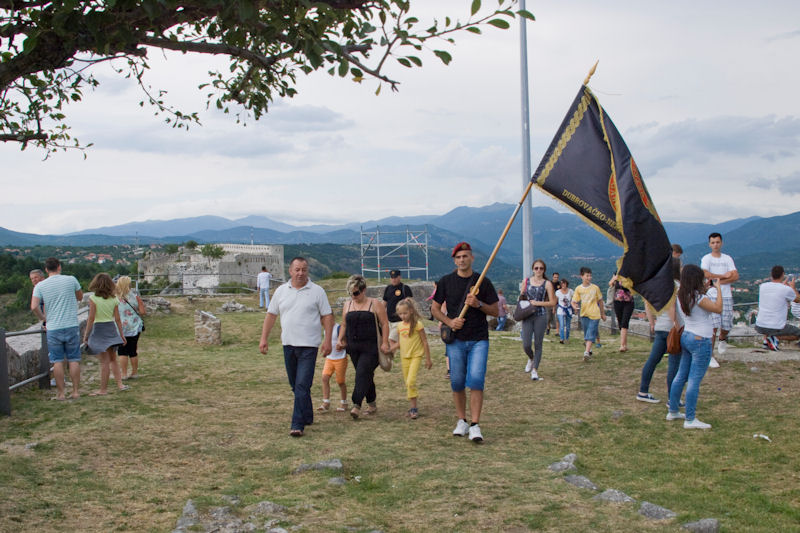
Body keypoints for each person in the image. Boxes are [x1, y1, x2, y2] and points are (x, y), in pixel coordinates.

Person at [431, 242, 499, 443]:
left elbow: (496, 311)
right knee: (457, 381)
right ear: (454, 260)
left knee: (476, 379)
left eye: (465, 256)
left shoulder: (482, 281)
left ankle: (475, 425)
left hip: (478, 339)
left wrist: (478, 304)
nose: (462, 260)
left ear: (472, 258)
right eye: (458, 257)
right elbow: (434, 309)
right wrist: (449, 322)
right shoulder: (446, 281)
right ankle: (462, 420)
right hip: (456, 340)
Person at [259, 257, 334, 438]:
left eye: (304, 270)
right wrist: (264, 338)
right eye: (297, 269)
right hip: (288, 345)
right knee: (295, 385)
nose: (300, 273)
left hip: (309, 346)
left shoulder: (317, 291)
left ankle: (297, 424)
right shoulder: (281, 291)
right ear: (290, 271)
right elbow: (271, 315)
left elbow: (327, 316)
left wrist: (328, 340)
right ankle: (307, 415)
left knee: (302, 384)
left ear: (308, 271)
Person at [668, 265, 722, 429]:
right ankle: (690, 419)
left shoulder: (681, 295)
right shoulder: (698, 297)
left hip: (687, 335)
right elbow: (718, 308)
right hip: (701, 339)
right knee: (694, 380)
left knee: (681, 375)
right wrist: (718, 289)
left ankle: (673, 410)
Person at [337, 274, 390, 420]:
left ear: (364, 290)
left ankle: (356, 404)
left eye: (356, 293)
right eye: (350, 293)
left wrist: (385, 342)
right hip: (353, 347)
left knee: (362, 372)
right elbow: (344, 324)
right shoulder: (347, 305)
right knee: (366, 374)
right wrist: (340, 339)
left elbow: (385, 323)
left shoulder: (375, 304)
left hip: (371, 347)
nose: (353, 296)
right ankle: (372, 403)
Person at [31, 258, 83, 401]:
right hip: (71, 324)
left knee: (57, 361)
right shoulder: (71, 279)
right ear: (59, 267)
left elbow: (34, 306)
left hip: (53, 327)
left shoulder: (40, 286)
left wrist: (43, 318)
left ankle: (61, 393)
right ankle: (75, 391)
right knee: (74, 359)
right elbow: (80, 297)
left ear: (46, 270)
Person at [638, 257, 682, 403]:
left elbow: (647, 304)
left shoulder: (658, 285)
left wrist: (652, 323)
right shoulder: (675, 286)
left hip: (660, 327)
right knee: (674, 364)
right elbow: (672, 307)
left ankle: (643, 391)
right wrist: (677, 325)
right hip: (672, 329)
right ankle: (672, 399)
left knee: (653, 360)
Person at [84, 273, 128, 396]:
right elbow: (117, 319)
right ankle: (120, 384)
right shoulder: (114, 299)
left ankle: (103, 389)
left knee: (104, 361)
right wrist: (121, 335)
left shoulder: (93, 298)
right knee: (113, 359)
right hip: (111, 328)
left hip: (99, 329)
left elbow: (91, 318)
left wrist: (86, 335)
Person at [389, 298, 432, 419]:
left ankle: (414, 409)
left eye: (405, 313)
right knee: (408, 383)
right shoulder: (399, 326)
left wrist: (428, 359)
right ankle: (413, 407)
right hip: (404, 357)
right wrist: (390, 349)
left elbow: (425, 342)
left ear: (411, 311)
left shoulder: (418, 325)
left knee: (410, 381)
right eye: (400, 314)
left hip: (416, 356)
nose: (403, 316)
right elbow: (400, 342)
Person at [700, 232, 738, 362]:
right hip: (712, 295)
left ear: (721, 243)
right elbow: (706, 274)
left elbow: (735, 276)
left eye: (717, 242)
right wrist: (724, 276)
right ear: (709, 244)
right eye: (713, 242)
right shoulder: (706, 258)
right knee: (713, 326)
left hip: (726, 295)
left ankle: (723, 338)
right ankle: (710, 356)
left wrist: (716, 281)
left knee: (726, 325)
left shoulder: (727, 258)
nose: (715, 245)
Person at [519, 259, 556, 381]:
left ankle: (535, 370)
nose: (539, 270)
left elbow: (552, 302)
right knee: (526, 344)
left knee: (538, 344)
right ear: (533, 269)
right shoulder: (526, 281)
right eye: (536, 268)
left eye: (541, 268)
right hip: (527, 315)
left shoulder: (547, 284)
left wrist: (538, 303)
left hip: (540, 315)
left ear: (544, 270)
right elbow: (522, 296)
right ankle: (531, 358)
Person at [754, 266, 800, 350]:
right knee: (798, 334)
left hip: (759, 325)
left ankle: (766, 342)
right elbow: (798, 300)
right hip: (776, 326)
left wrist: (783, 286)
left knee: (768, 323)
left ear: (771, 274)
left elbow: (775, 291)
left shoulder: (762, 286)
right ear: (783, 275)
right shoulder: (786, 289)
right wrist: (793, 288)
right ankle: (774, 338)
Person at [572, 267, 606, 362]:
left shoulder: (595, 288)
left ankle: (586, 352)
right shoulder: (578, 289)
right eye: (587, 276)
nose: (589, 277)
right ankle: (589, 349)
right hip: (584, 314)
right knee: (587, 333)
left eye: (590, 275)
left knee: (591, 332)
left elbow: (600, 301)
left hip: (595, 314)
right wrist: (574, 306)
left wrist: (602, 313)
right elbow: (574, 301)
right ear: (582, 276)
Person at [115, 275, 146, 379]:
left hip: (120, 327)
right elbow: (142, 312)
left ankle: (124, 374)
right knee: (132, 350)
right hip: (134, 326)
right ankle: (134, 373)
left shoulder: (115, 298)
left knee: (122, 351)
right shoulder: (135, 297)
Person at [317, 323, 349, 412]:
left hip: (340, 358)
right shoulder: (326, 328)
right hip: (330, 358)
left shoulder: (339, 328)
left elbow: (346, 342)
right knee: (325, 378)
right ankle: (326, 402)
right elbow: (327, 340)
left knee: (340, 382)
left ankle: (344, 402)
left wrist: (342, 345)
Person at [608, 272, 634, 352]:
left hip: (628, 302)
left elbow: (634, 288)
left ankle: (622, 345)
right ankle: (625, 345)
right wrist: (614, 279)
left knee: (624, 322)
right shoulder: (616, 273)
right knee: (620, 322)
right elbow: (610, 284)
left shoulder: (631, 275)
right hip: (617, 302)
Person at [556, 279, 574, 344]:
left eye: (564, 283)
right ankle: (562, 338)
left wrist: (575, 308)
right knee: (562, 325)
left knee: (568, 326)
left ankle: (567, 338)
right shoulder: (558, 292)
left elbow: (574, 299)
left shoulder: (571, 291)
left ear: (566, 284)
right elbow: (556, 301)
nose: (563, 285)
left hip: (568, 310)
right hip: (560, 310)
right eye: (562, 284)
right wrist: (554, 309)